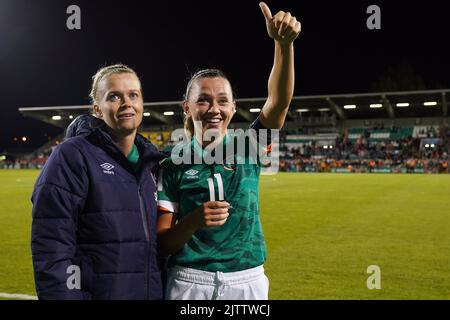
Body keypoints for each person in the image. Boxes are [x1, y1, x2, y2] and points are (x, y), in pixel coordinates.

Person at [156, 2, 301, 300]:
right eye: (203, 100)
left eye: (223, 101)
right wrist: (194, 220)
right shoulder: (171, 166)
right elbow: (163, 243)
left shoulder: (249, 147)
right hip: (188, 282)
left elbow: (278, 103)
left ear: (233, 108)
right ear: (187, 107)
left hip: (247, 281)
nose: (214, 109)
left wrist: (282, 45)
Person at [31, 64, 166, 299]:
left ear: (142, 103)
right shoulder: (72, 155)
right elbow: (52, 245)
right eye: (114, 96)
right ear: (97, 109)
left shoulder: (153, 162)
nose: (126, 103)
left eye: (133, 95)